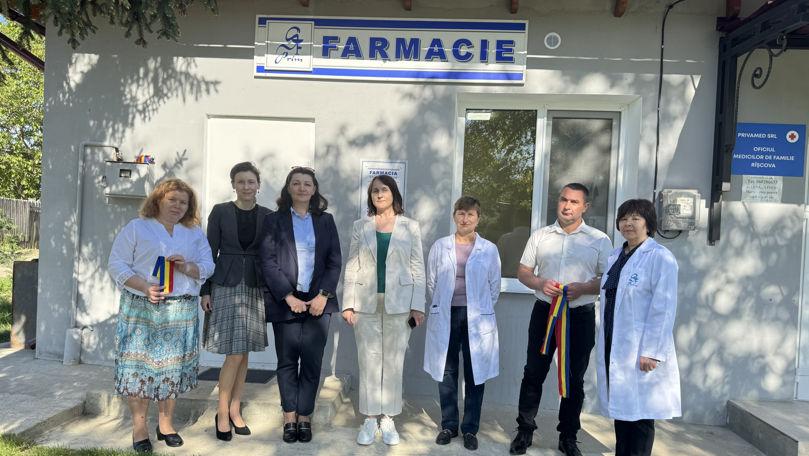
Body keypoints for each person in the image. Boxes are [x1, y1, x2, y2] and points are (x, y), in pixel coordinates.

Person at [108, 178, 215, 453]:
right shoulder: (137, 227)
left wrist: (188, 267)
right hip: (141, 307)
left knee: (171, 368)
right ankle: (139, 427)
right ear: (158, 200)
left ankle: (166, 424)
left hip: (180, 309)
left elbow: (208, 265)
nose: (178, 206)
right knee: (138, 369)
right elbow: (116, 263)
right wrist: (144, 286)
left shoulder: (193, 232)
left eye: (184, 202)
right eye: (172, 200)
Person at [510, 183, 612, 456]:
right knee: (533, 372)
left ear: (585, 207)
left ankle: (568, 436)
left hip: (580, 316)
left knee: (574, 378)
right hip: (545, 312)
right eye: (564, 200)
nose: (567, 206)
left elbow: (608, 279)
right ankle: (524, 430)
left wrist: (585, 288)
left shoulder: (599, 240)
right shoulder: (541, 236)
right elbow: (523, 272)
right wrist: (539, 283)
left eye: (574, 202)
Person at [342, 174, 426, 446]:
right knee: (368, 360)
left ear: (394, 194)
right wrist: (348, 303)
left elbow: (417, 267)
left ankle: (388, 418)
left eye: (384, 190)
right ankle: (369, 418)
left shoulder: (410, 227)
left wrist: (418, 305)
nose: (379, 194)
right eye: (374, 190)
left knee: (393, 361)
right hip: (365, 302)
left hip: (400, 303)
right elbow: (352, 264)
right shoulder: (360, 226)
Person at [259, 166, 342, 444]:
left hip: (319, 302)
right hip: (286, 302)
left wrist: (323, 295)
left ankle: (305, 416)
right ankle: (289, 417)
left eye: (307, 183)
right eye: (296, 183)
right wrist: (288, 296)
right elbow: (268, 261)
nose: (302, 188)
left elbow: (334, 261)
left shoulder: (326, 221)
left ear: (314, 189)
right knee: (286, 362)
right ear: (288, 188)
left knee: (312, 362)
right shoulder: (273, 220)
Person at [596, 199, 680, 456]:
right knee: (622, 411)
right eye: (624, 219)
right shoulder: (615, 256)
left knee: (641, 416)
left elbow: (663, 308)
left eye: (635, 218)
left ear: (648, 223)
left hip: (641, 348)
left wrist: (652, 351)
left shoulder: (660, 257)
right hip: (614, 342)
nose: (628, 224)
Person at [200, 162, 272, 441]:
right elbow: (209, 253)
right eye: (240, 181)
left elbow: (271, 254)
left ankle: (234, 408)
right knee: (234, 352)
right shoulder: (220, 212)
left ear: (258, 185)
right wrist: (205, 290)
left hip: (254, 285)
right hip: (225, 284)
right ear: (233, 184)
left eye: (251, 181)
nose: (246, 186)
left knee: (244, 353)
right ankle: (221, 412)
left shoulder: (267, 215)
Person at [424, 196, 501, 451]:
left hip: (476, 318)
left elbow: (494, 287)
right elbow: (432, 282)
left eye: (470, 214)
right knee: (447, 371)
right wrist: (443, 305)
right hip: (447, 314)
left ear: (478, 218)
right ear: (454, 216)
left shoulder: (489, 249)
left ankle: (470, 429)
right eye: (461, 213)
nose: (465, 219)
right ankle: (448, 425)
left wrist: (478, 308)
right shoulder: (440, 246)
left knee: (475, 372)